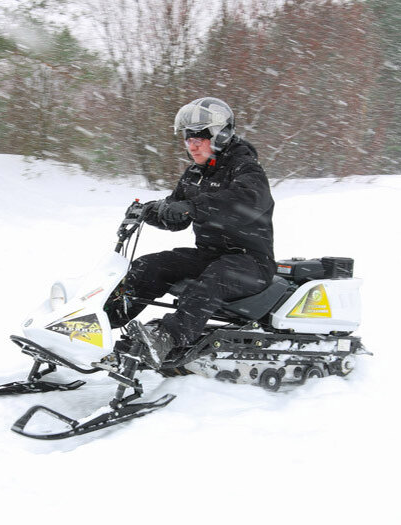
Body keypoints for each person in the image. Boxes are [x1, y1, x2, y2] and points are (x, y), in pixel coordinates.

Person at [106, 97, 275, 368]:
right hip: (210, 255)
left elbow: (244, 204)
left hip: (251, 263)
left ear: (222, 135)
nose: (192, 144)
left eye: (200, 137)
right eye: (187, 138)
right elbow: (177, 217)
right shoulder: (195, 173)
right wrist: (151, 211)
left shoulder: (246, 169)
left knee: (209, 283)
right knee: (150, 266)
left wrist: (193, 207)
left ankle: (166, 338)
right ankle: (101, 322)